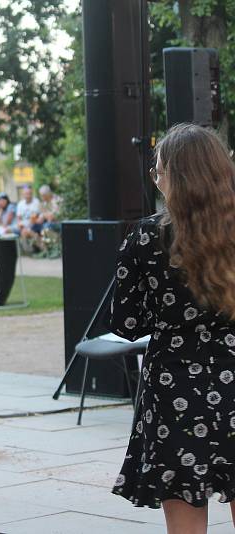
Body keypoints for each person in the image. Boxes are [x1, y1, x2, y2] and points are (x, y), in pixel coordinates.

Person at [108, 123, 235, 534]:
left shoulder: (146, 237)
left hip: (175, 385)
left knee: (185, 518)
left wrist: (169, 315)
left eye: (158, 170)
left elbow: (126, 324)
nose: (155, 179)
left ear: (175, 177)